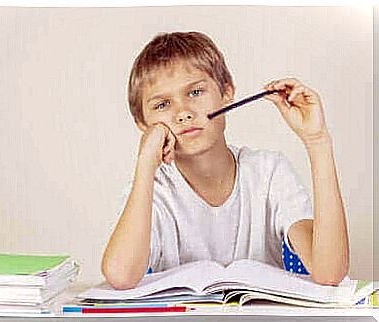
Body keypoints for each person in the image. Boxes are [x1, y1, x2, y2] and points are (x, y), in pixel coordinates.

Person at [101, 31, 349, 290]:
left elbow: (329, 273)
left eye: (195, 92)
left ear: (227, 92)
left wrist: (317, 141)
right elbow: (120, 276)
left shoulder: (269, 172)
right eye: (162, 105)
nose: (183, 112)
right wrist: (145, 165)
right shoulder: (149, 191)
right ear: (143, 123)